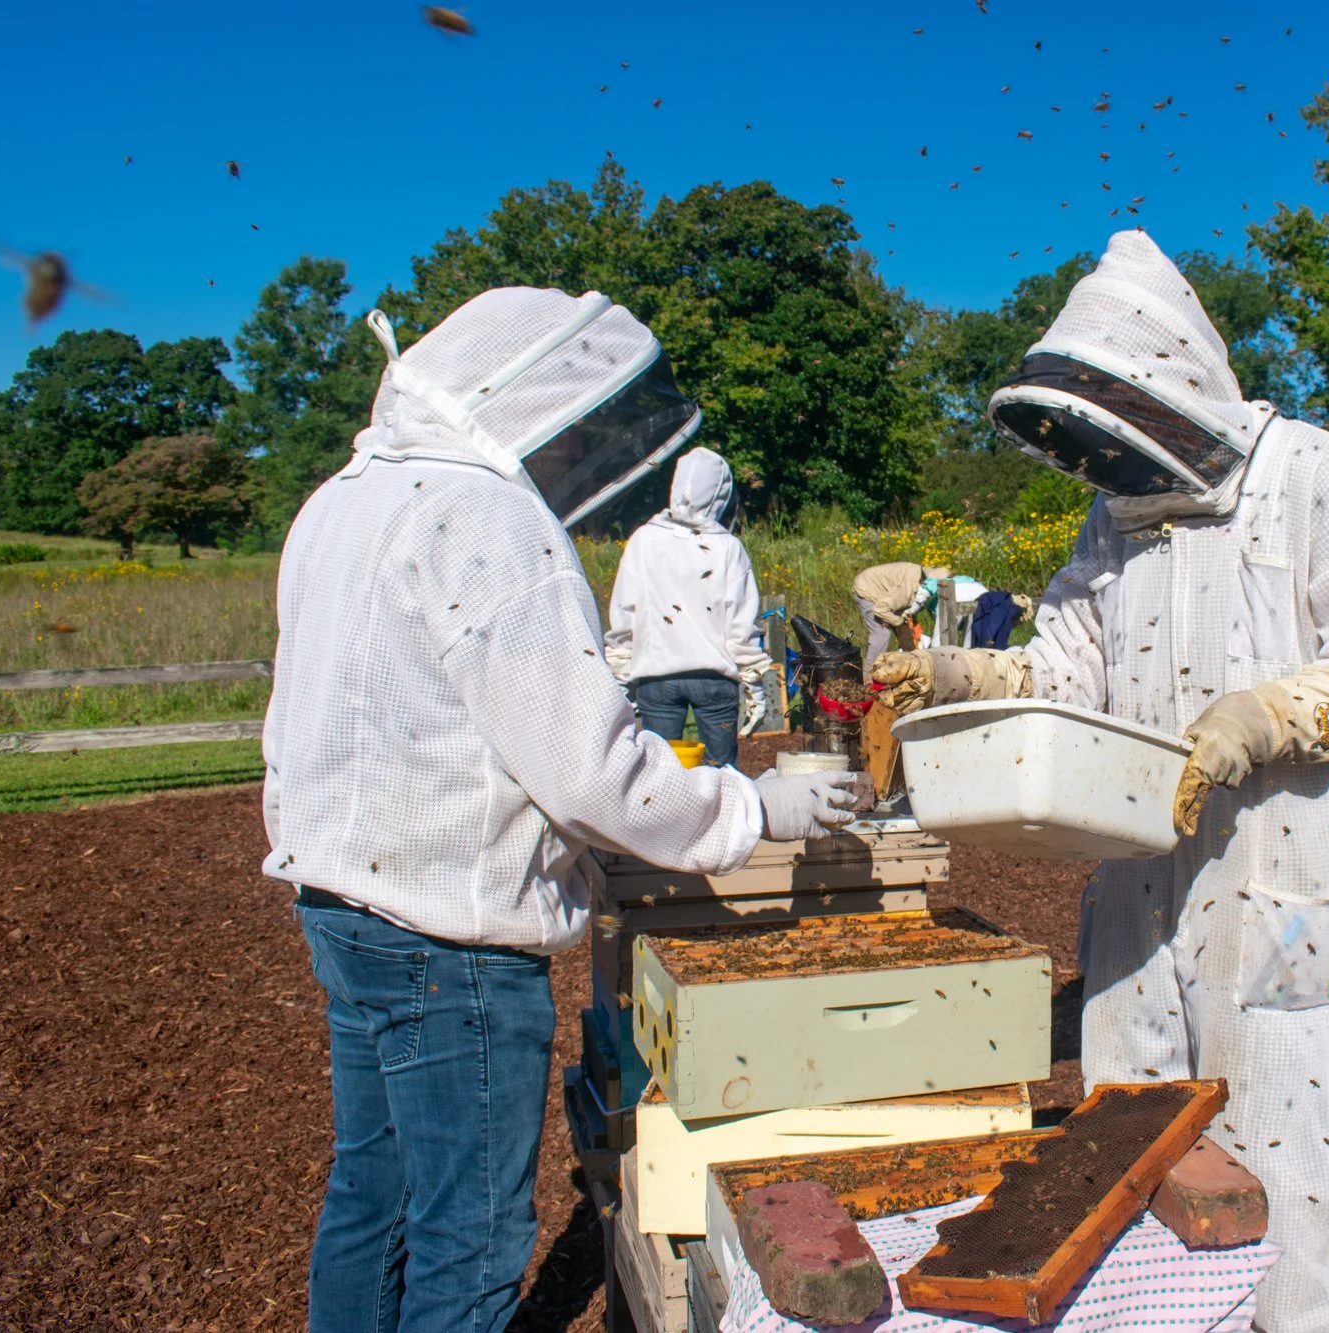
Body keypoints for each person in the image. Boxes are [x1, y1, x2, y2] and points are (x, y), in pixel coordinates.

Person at [261, 287, 862, 1333]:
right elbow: (592, 770)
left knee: (373, 1195)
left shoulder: (342, 502)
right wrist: (751, 805)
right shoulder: (486, 520)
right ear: (528, 402)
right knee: (469, 1240)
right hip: (449, 936)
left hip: (341, 902)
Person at [871, 232, 1329, 1333]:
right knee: (1121, 1141)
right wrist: (955, 667)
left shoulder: (1310, 474)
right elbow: (1066, 668)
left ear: (1167, 390)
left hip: (1277, 880)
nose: (1106, 465)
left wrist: (1266, 714)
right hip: (1135, 874)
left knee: (1282, 1150)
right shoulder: (1112, 516)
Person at [605, 446, 769, 768]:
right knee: (723, 781)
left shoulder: (643, 541)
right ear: (720, 495)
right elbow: (741, 624)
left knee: (662, 778)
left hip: (657, 679)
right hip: (715, 680)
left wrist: (621, 676)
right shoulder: (728, 547)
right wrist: (754, 684)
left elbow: (625, 614)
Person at [851, 560, 949, 673]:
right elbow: (880, 609)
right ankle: (869, 674)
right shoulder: (907, 590)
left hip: (889, 594)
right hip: (868, 589)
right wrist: (898, 621)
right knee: (881, 634)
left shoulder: (921, 582)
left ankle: (910, 670)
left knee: (908, 632)